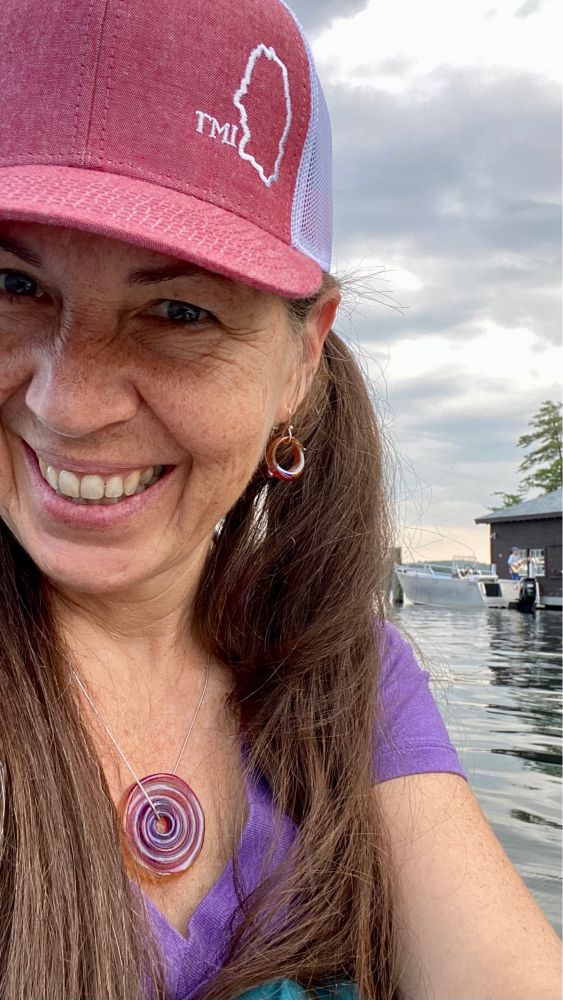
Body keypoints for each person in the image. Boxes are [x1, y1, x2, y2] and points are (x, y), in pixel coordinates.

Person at [0, 2, 560, 999]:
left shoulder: (350, 681)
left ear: (301, 357)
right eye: (12, 283)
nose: (67, 402)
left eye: (176, 310)